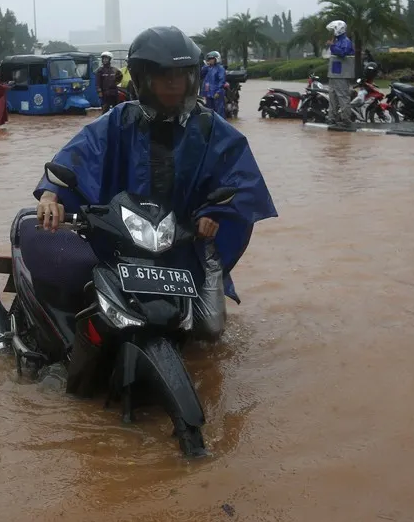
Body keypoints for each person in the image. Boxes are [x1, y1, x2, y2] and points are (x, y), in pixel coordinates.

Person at [33, 26, 277, 341]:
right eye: (163, 76)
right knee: (85, 311)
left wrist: (214, 212)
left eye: (181, 74)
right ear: (143, 79)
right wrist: (50, 196)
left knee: (210, 332)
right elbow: (77, 156)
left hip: (186, 247)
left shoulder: (210, 128)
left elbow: (239, 179)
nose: (174, 83)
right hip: (124, 242)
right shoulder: (119, 121)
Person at [325, 20, 355, 129]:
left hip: (341, 75)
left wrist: (332, 46)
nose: (332, 32)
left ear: (339, 29)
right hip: (334, 74)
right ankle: (332, 118)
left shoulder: (346, 41)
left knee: (343, 97)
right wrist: (332, 45)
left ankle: (346, 120)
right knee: (332, 98)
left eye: (334, 29)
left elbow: (343, 53)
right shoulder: (337, 41)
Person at [201, 51, 226, 117]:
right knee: (209, 112)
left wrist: (218, 92)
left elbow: (222, 81)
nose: (210, 60)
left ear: (216, 59)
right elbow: (201, 75)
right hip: (208, 94)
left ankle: (220, 126)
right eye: (209, 59)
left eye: (212, 59)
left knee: (219, 111)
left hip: (216, 93)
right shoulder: (207, 68)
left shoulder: (220, 69)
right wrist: (206, 66)